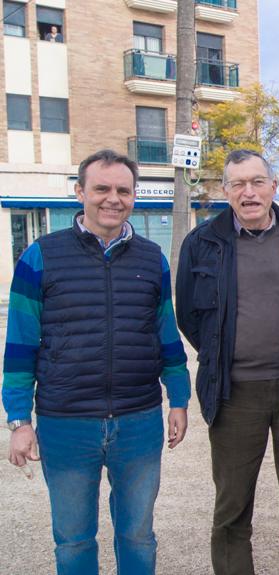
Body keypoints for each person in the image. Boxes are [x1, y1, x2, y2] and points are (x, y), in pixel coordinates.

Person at [3, 149, 190, 574]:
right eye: (101, 188)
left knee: (138, 535)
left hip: (138, 421)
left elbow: (165, 333)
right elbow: (19, 346)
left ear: (134, 196)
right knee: (73, 541)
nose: (113, 198)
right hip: (66, 424)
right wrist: (19, 419)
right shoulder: (41, 255)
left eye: (123, 190)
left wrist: (178, 397)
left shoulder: (151, 258)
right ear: (80, 192)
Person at [175, 150, 279, 575]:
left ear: (274, 187)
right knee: (233, 505)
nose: (248, 192)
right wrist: (224, 353)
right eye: (237, 183)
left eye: (257, 182)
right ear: (225, 191)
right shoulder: (202, 243)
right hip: (234, 390)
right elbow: (189, 316)